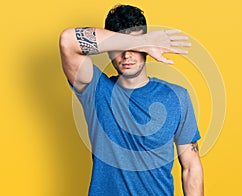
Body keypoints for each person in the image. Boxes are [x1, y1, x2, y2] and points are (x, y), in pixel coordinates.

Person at [59, 4, 204, 196]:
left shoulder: (176, 96)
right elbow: (68, 41)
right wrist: (138, 41)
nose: (127, 54)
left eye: (135, 46)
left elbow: (191, 167)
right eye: (119, 47)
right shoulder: (95, 89)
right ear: (108, 49)